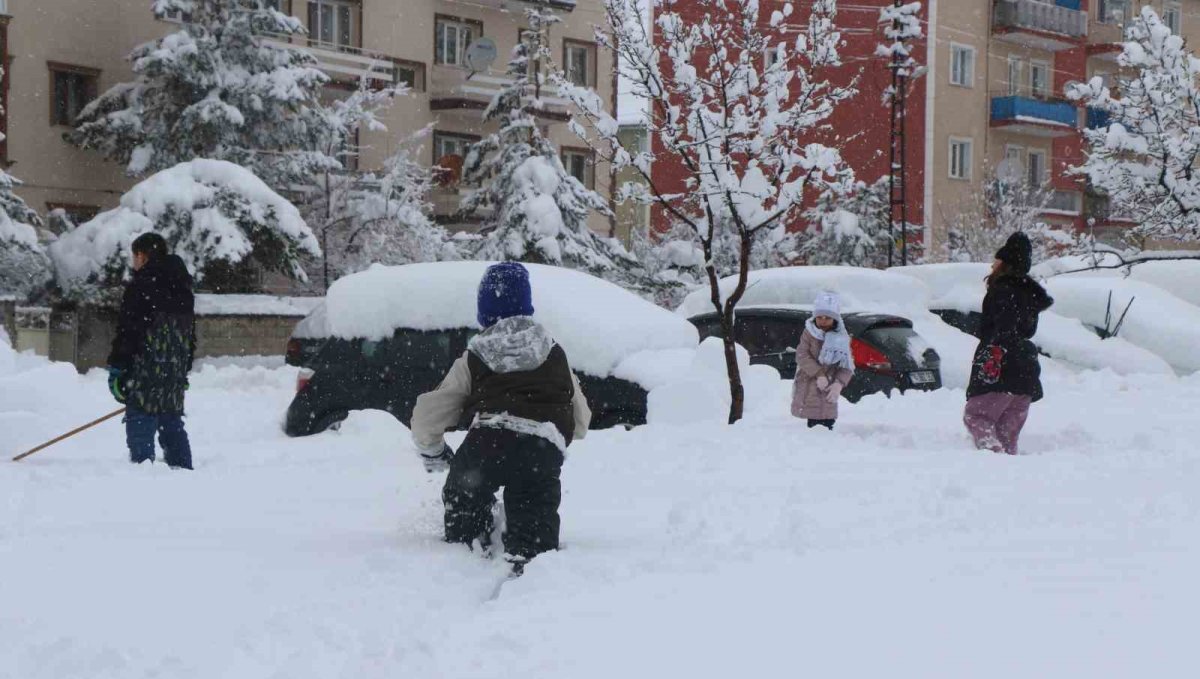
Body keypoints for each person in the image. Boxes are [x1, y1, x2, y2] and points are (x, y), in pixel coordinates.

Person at [410, 263, 591, 575]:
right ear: (527, 307)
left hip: (488, 444)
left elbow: (429, 414)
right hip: (542, 449)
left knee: (464, 503)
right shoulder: (555, 352)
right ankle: (529, 575)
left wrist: (433, 450)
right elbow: (582, 420)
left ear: (484, 312)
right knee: (535, 531)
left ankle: (464, 562)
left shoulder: (475, 355)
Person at [106, 233, 196, 469]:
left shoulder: (140, 286)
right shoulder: (183, 288)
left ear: (142, 255)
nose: (134, 263)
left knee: (141, 420)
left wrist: (118, 368)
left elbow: (128, 332)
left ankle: (143, 473)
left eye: (134, 256)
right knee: (171, 421)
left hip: (145, 369)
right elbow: (190, 336)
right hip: (173, 371)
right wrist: (183, 370)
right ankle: (184, 472)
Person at [963, 232, 1054, 456]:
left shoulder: (1003, 291)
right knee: (1007, 437)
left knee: (977, 417)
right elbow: (1026, 330)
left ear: (1005, 262)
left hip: (1003, 364)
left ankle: (993, 457)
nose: (993, 263)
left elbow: (1003, 328)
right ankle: (1008, 473)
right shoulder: (1029, 295)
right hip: (1026, 371)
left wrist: (994, 354)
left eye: (997, 259)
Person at [791, 291, 855, 430]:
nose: (823, 321)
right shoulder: (809, 333)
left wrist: (839, 383)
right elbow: (802, 355)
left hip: (829, 387)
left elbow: (847, 365)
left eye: (828, 318)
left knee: (827, 420)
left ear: (835, 320)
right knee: (812, 421)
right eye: (820, 317)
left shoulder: (841, 338)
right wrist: (819, 374)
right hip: (809, 383)